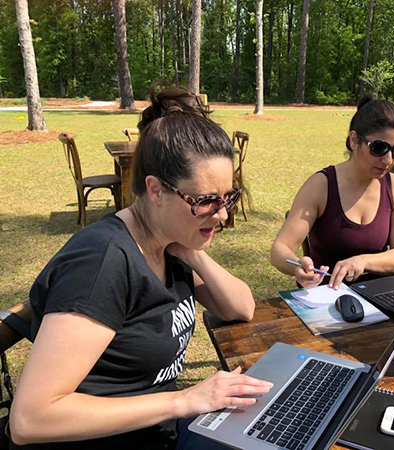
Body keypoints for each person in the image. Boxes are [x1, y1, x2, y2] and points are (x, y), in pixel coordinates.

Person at [9, 84, 273, 449]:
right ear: (155, 190)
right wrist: (184, 400)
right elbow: (30, 419)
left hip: (159, 434)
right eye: (205, 201)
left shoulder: (168, 242)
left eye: (228, 197)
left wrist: (194, 251)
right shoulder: (102, 264)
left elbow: (240, 308)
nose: (223, 214)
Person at [270, 94, 394, 290]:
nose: (388, 160)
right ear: (354, 140)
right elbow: (279, 250)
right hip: (325, 297)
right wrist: (297, 267)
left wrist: (362, 262)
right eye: (379, 148)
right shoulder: (321, 185)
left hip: (377, 297)